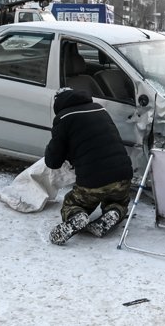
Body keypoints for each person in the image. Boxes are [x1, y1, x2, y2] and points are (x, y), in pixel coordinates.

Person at [44, 88, 133, 245]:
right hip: (122, 175)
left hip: (93, 180)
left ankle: (77, 216)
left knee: (73, 203)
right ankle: (114, 212)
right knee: (119, 201)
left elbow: (52, 161)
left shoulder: (63, 118)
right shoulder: (100, 109)